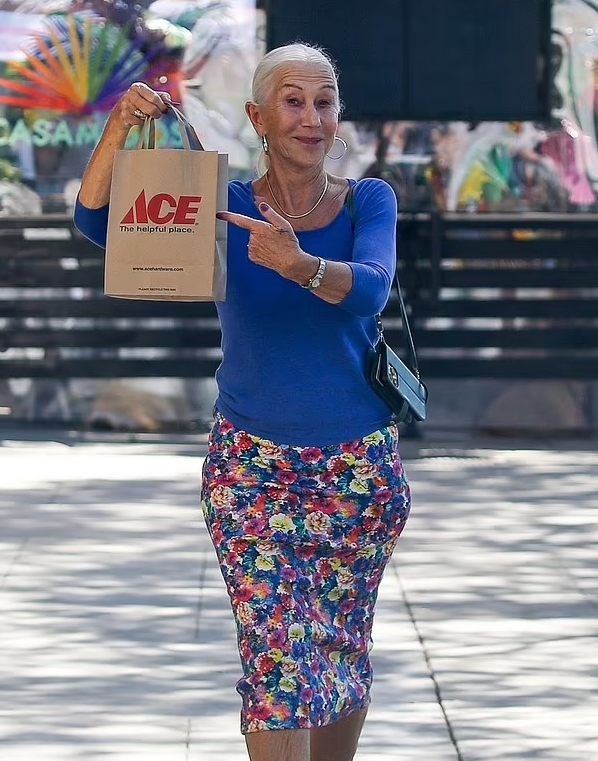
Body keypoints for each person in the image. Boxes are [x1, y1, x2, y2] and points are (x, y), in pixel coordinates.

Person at [74, 42, 411, 761]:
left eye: (324, 102)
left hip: (357, 468)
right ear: (258, 117)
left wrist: (302, 265)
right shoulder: (220, 205)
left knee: (341, 648)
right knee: (277, 661)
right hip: (250, 468)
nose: (311, 118)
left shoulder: (368, 200)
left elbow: (371, 289)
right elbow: (97, 223)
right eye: (293, 101)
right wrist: (118, 128)